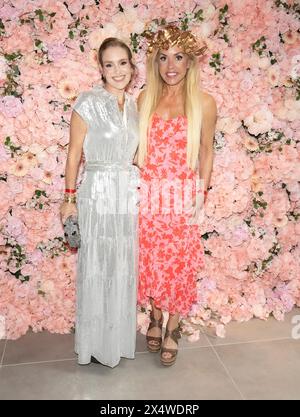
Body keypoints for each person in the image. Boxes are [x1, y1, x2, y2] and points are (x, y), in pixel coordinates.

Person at [137, 25, 217, 366]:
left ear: (190, 63)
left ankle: (173, 325)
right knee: (152, 260)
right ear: (155, 62)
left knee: (180, 264)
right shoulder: (145, 98)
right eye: (163, 57)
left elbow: (207, 152)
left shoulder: (204, 102)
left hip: (181, 197)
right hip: (150, 196)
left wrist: (200, 194)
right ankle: (155, 318)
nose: (171, 65)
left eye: (179, 57)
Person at [60, 38, 139, 368]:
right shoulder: (88, 102)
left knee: (122, 264)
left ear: (132, 67)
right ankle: (94, 345)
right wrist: (68, 199)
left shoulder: (135, 106)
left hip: (127, 194)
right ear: (101, 69)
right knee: (97, 265)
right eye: (110, 64)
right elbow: (74, 153)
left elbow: (136, 153)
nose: (117, 71)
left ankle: (116, 341)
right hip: (97, 190)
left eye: (123, 63)